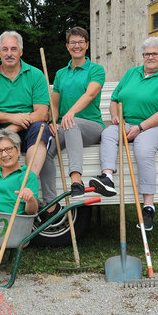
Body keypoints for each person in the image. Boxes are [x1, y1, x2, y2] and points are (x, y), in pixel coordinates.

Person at [89, 36, 158, 231]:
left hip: (155, 126)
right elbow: (114, 99)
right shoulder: (131, 73)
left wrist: (140, 128)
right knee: (109, 134)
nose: (150, 57)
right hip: (126, 121)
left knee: (143, 148)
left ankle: (148, 206)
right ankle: (107, 178)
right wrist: (116, 117)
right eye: (147, 54)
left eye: (155, 54)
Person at [39, 27, 105, 216]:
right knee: (44, 150)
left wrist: (70, 114)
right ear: (67, 47)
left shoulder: (96, 70)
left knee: (72, 122)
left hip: (91, 126)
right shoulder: (61, 73)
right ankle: (51, 204)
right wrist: (52, 119)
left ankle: (76, 180)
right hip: (66, 126)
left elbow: (90, 94)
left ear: (87, 45)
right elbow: (56, 103)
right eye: (73, 42)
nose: (77, 46)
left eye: (81, 42)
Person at [0, 31, 52, 177]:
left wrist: (12, 128)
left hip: (27, 129)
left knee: (41, 127)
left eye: (13, 49)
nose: (9, 53)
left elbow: (41, 113)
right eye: (5, 49)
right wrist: (12, 118)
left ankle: (29, 182)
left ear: (21, 52)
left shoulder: (35, 75)